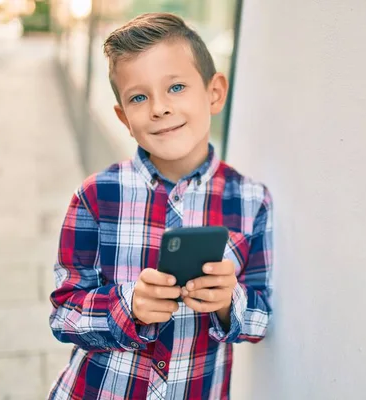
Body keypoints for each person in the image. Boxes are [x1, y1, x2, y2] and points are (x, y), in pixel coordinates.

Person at [47, 12, 273, 400]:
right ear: (123, 118)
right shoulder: (96, 196)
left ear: (215, 93)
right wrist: (127, 306)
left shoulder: (251, 201)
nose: (159, 108)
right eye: (138, 97)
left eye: (177, 87)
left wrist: (226, 303)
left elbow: (261, 316)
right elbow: (64, 314)